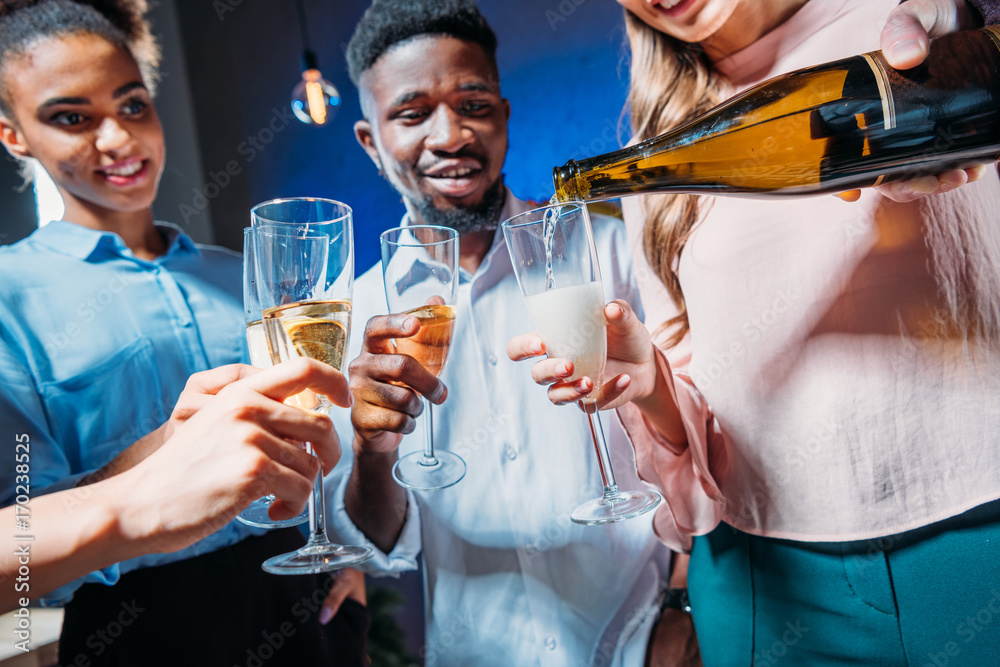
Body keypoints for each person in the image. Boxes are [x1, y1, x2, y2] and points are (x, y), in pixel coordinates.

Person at [510, 0, 1000, 664]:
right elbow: (700, 419)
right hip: (763, 587)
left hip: (978, 545)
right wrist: (652, 382)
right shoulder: (655, 143)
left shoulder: (920, 21)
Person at [0, 1, 366, 664]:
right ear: (14, 134)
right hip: (141, 626)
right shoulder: (8, 296)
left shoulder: (240, 276)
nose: (119, 139)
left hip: (301, 600)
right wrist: (164, 450)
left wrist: (340, 547)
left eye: (132, 104)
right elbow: (21, 541)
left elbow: (307, 432)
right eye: (72, 118)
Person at [319, 1, 675, 664]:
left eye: (473, 104)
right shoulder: (358, 314)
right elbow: (377, 544)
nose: (451, 135)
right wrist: (373, 449)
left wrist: (682, 610)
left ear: (504, 117)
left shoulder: (612, 251)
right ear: (371, 142)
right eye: (412, 113)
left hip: (641, 639)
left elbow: (704, 438)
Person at [0, 359, 347, 613]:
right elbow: (21, 521)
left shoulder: (235, 285)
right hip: (140, 615)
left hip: (301, 587)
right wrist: (138, 503)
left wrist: (337, 544)